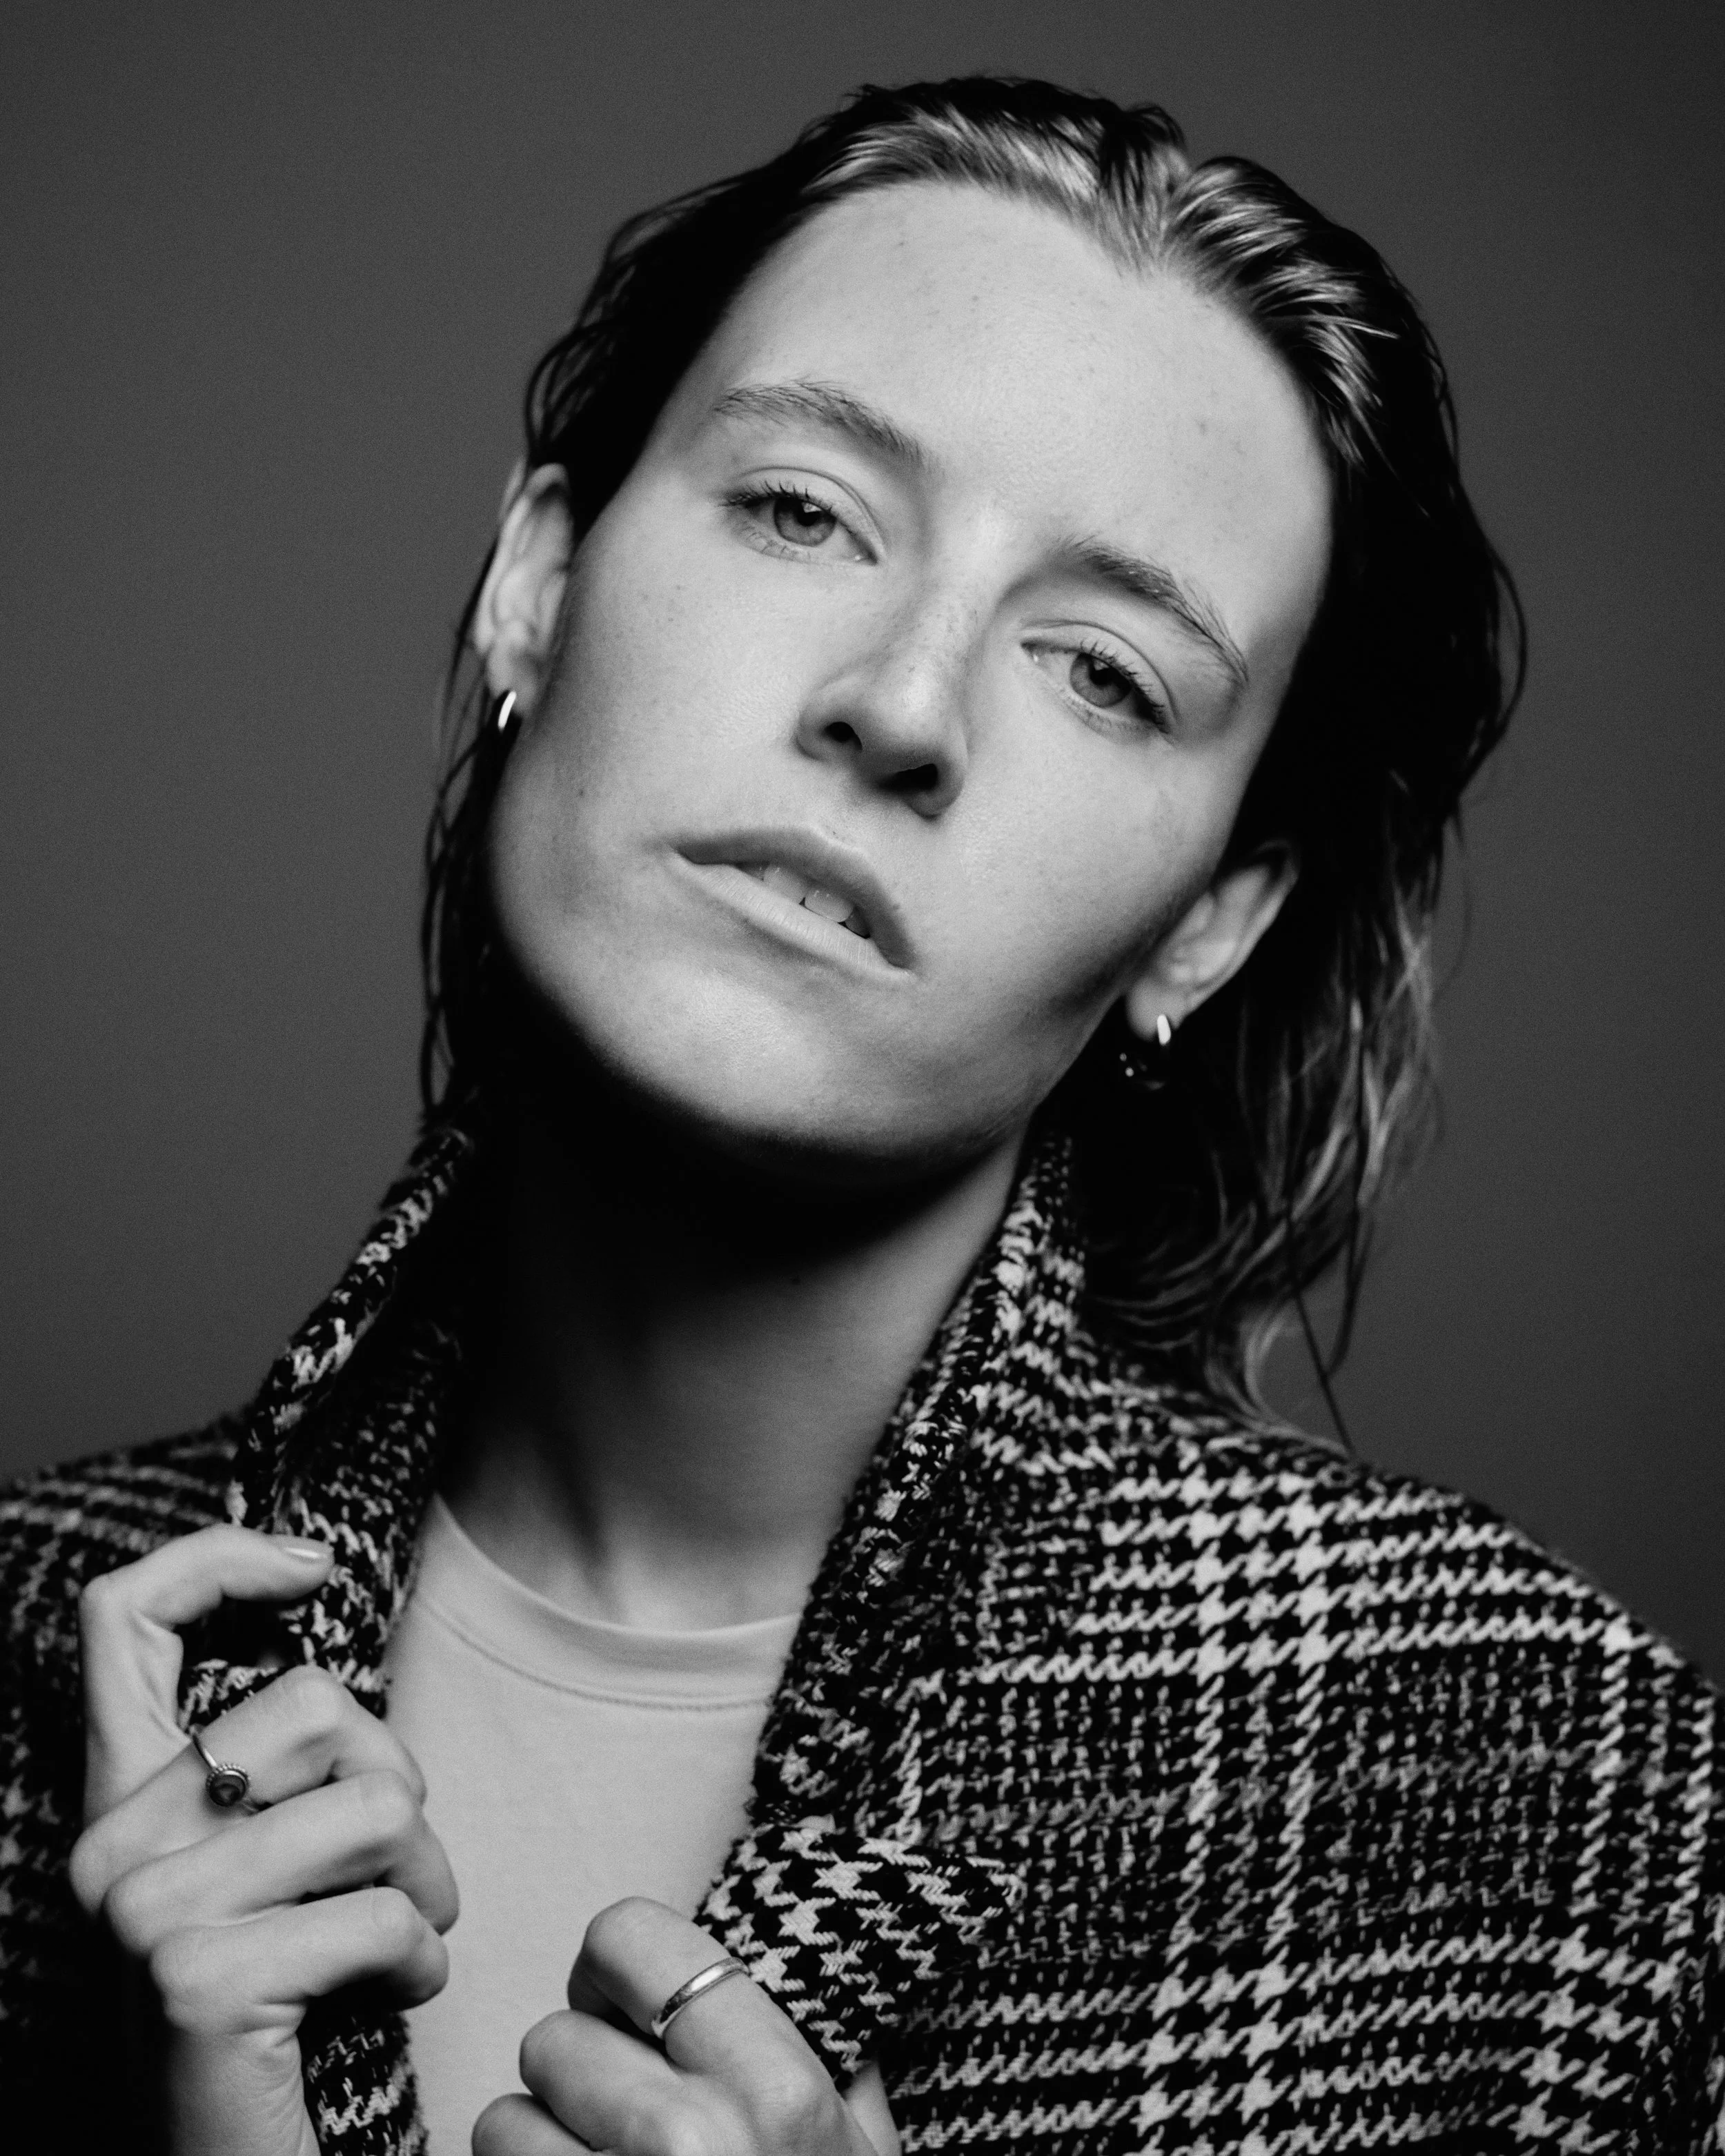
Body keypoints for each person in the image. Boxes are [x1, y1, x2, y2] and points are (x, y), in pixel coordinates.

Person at [1, 74, 1718, 2156]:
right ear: (536, 587)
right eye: (803, 511)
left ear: (1210, 921)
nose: (899, 706)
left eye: (1098, 665)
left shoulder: (1545, 1809)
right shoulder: (29, 1652)